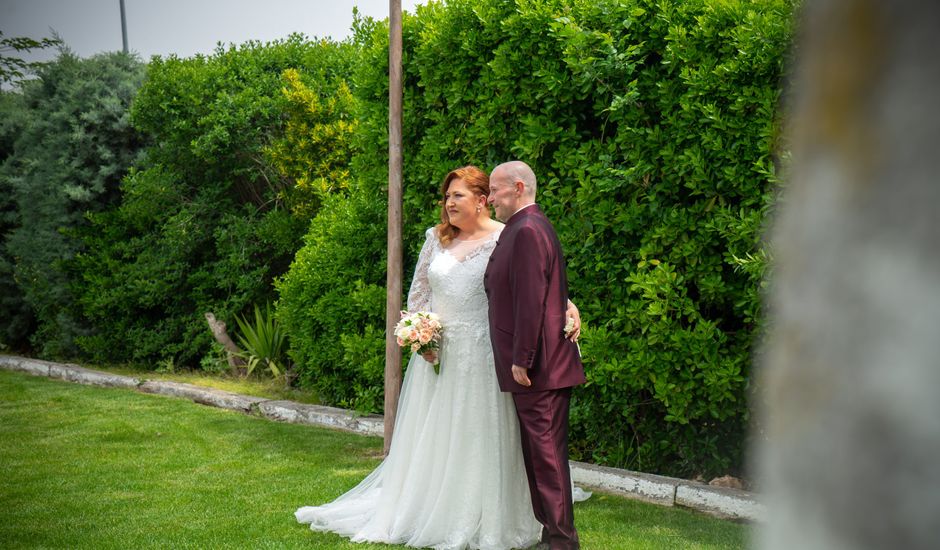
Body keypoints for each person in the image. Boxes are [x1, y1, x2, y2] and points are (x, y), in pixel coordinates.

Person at [295, 166, 584, 550]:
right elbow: (418, 297)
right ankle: (436, 507)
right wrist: (420, 332)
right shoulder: (436, 239)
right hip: (441, 357)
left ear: (483, 200)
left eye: (458, 195)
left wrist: (567, 304)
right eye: (446, 196)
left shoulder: (508, 234)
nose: (449, 203)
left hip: (488, 353)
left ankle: (504, 516)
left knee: (488, 436)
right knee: (439, 440)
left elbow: (533, 280)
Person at [484, 161, 587, 550]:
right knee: (541, 456)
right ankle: (553, 536)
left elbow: (531, 301)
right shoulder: (525, 227)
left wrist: (522, 358)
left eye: (495, 190)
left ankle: (562, 542)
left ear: (519, 187)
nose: (490, 198)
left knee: (547, 459)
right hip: (542, 366)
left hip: (540, 367)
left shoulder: (527, 230)